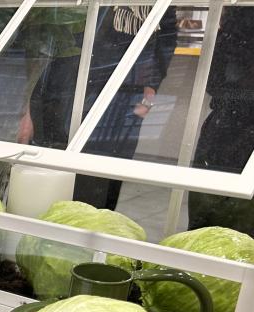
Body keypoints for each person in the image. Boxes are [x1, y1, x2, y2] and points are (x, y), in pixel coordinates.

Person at [18, 6, 178, 209]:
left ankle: (86, 235)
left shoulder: (153, 10)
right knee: (48, 175)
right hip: (62, 89)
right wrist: (30, 105)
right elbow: (49, 39)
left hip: (120, 95)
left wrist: (149, 92)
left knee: (100, 182)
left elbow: (166, 39)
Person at [187, 7, 254, 243]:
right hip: (225, 131)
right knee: (204, 229)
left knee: (249, 235)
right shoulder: (239, 20)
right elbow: (215, 82)